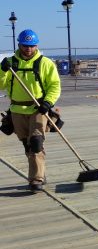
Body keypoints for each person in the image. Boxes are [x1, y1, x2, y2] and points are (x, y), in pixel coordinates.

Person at [0, 29, 62, 192]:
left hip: (38, 109)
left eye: (32, 46)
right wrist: (2, 70)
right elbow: (0, 85)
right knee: (27, 145)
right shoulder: (10, 63)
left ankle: (36, 179)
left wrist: (48, 102)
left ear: (36, 45)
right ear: (19, 44)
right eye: (25, 45)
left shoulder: (45, 63)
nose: (28, 49)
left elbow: (54, 85)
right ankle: (40, 172)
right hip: (17, 109)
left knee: (36, 143)